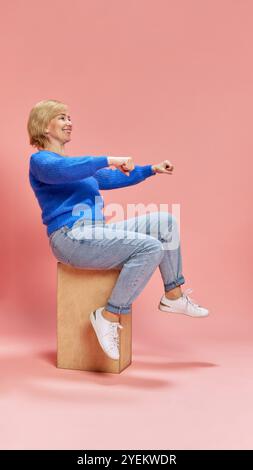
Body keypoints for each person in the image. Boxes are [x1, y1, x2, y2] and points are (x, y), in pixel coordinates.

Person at [27, 99, 209, 361]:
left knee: (164, 222)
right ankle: (109, 314)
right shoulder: (42, 162)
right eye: (62, 118)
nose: (70, 123)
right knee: (150, 247)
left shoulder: (74, 167)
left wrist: (151, 170)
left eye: (69, 117)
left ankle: (173, 294)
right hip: (69, 237)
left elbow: (107, 178)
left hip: (94, 231)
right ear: (44, 126)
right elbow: (65, 170)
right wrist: (109, 159)